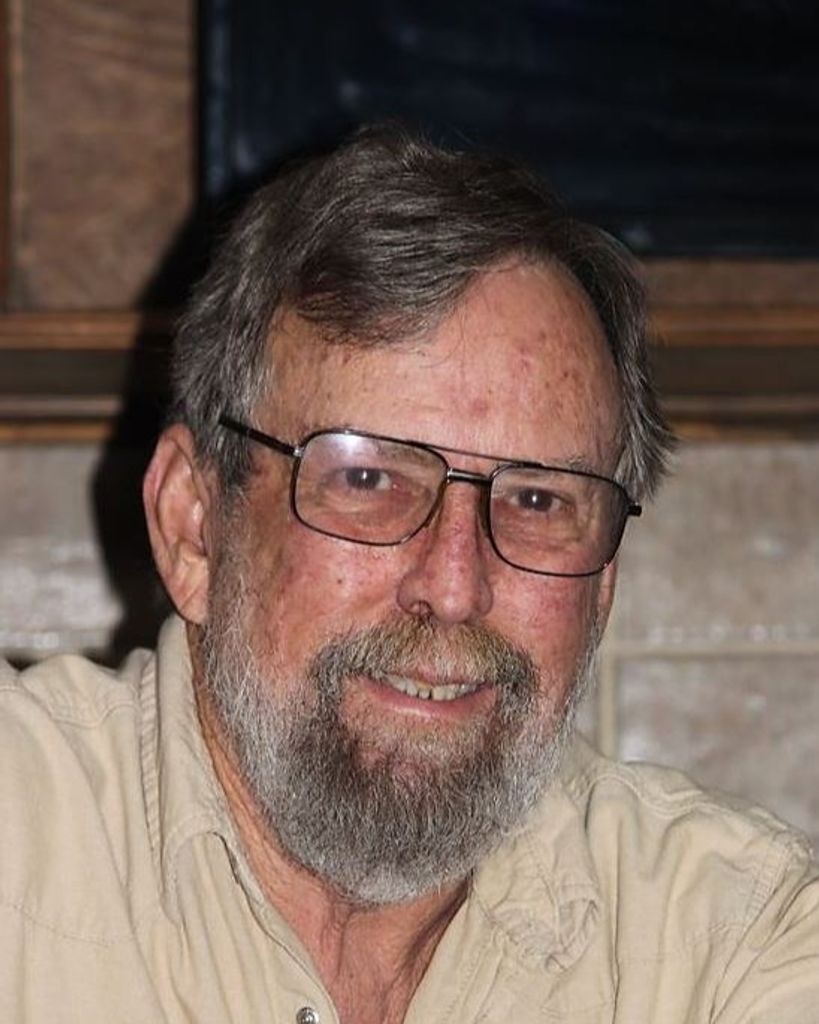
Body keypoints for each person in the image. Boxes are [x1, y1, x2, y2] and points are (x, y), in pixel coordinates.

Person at [1, 126, 818, 1024]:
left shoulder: (738, 945)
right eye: (368, 480)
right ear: (192, 525)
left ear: (603, 585)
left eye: (538, 500)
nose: (455, 586)